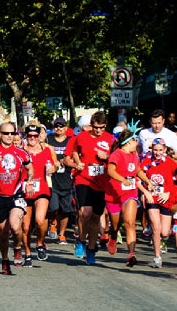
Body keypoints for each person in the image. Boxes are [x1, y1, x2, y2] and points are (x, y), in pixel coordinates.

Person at [0, 123, 35, 275]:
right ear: (0, 134)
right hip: (0, 196)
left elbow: (30, 168)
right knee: (2, 232)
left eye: (11, 133)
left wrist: (29, 182)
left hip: (16, 195)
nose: (9, 136)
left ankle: (18, 247)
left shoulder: (21, 152)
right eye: (5, 133)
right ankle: (5, 259)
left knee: (15, 226)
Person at [66, 111, 114, 265]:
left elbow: (116, 157)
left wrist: (107, 157)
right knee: (85, 213)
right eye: (95, 127)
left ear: (105, 126)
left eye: (101, 127)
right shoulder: (81, 137)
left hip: (101, 181)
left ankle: (91, 249)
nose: (98, 130)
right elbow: (74, 151)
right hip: (83, 179)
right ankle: (81, 240)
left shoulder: (110, 139)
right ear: (91, 125)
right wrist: (77, 162)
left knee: (95, 217)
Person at [105, 129, 146, 267]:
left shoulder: (134, 155)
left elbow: (138, 170)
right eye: (136, 140)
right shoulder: (116, 154)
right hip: (114, 194)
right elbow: (110, 171)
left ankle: (131, 254)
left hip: (130, 193)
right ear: (129, 141)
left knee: (130, 222)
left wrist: (148, 181)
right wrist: (122, 179)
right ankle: (114, 235)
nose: (137, 143)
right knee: (115, 224)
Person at [21, 123, 58, 265]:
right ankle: (28, 254)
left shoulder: (47, 150)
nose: (32, 138)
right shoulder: (21, 151)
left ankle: (40, 244)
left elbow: (54, 165)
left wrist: (52, 169)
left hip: (41, 188)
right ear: (25, 136)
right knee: (25, 227)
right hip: (25, 190)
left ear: (39, 137)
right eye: (29, 136)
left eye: (35, 136)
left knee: (40, 220)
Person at [141, 138, 177, 268]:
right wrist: (144, 193)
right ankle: (157, 257)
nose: (157, 153)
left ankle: (163, 239)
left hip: (166, 199)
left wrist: (168, 193)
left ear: (165, 150)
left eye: (160, 150)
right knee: (156, 227)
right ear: (151, 149)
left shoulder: (171, 163)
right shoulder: (146, 162)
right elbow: (139, 178)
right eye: (155, 150)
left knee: (164, 232)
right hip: (152, 198)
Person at [47, 117, 75, 244]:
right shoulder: (49, 140)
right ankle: (53, 222)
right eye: (56, 126)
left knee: (66, 209)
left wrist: (67, 162)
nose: (59, 128)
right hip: (52, 178)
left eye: (61, 126)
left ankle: (62, 234)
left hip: (66, 178)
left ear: (65, 128)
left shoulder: (71, 141)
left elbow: (76, 156)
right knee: (53, 206)